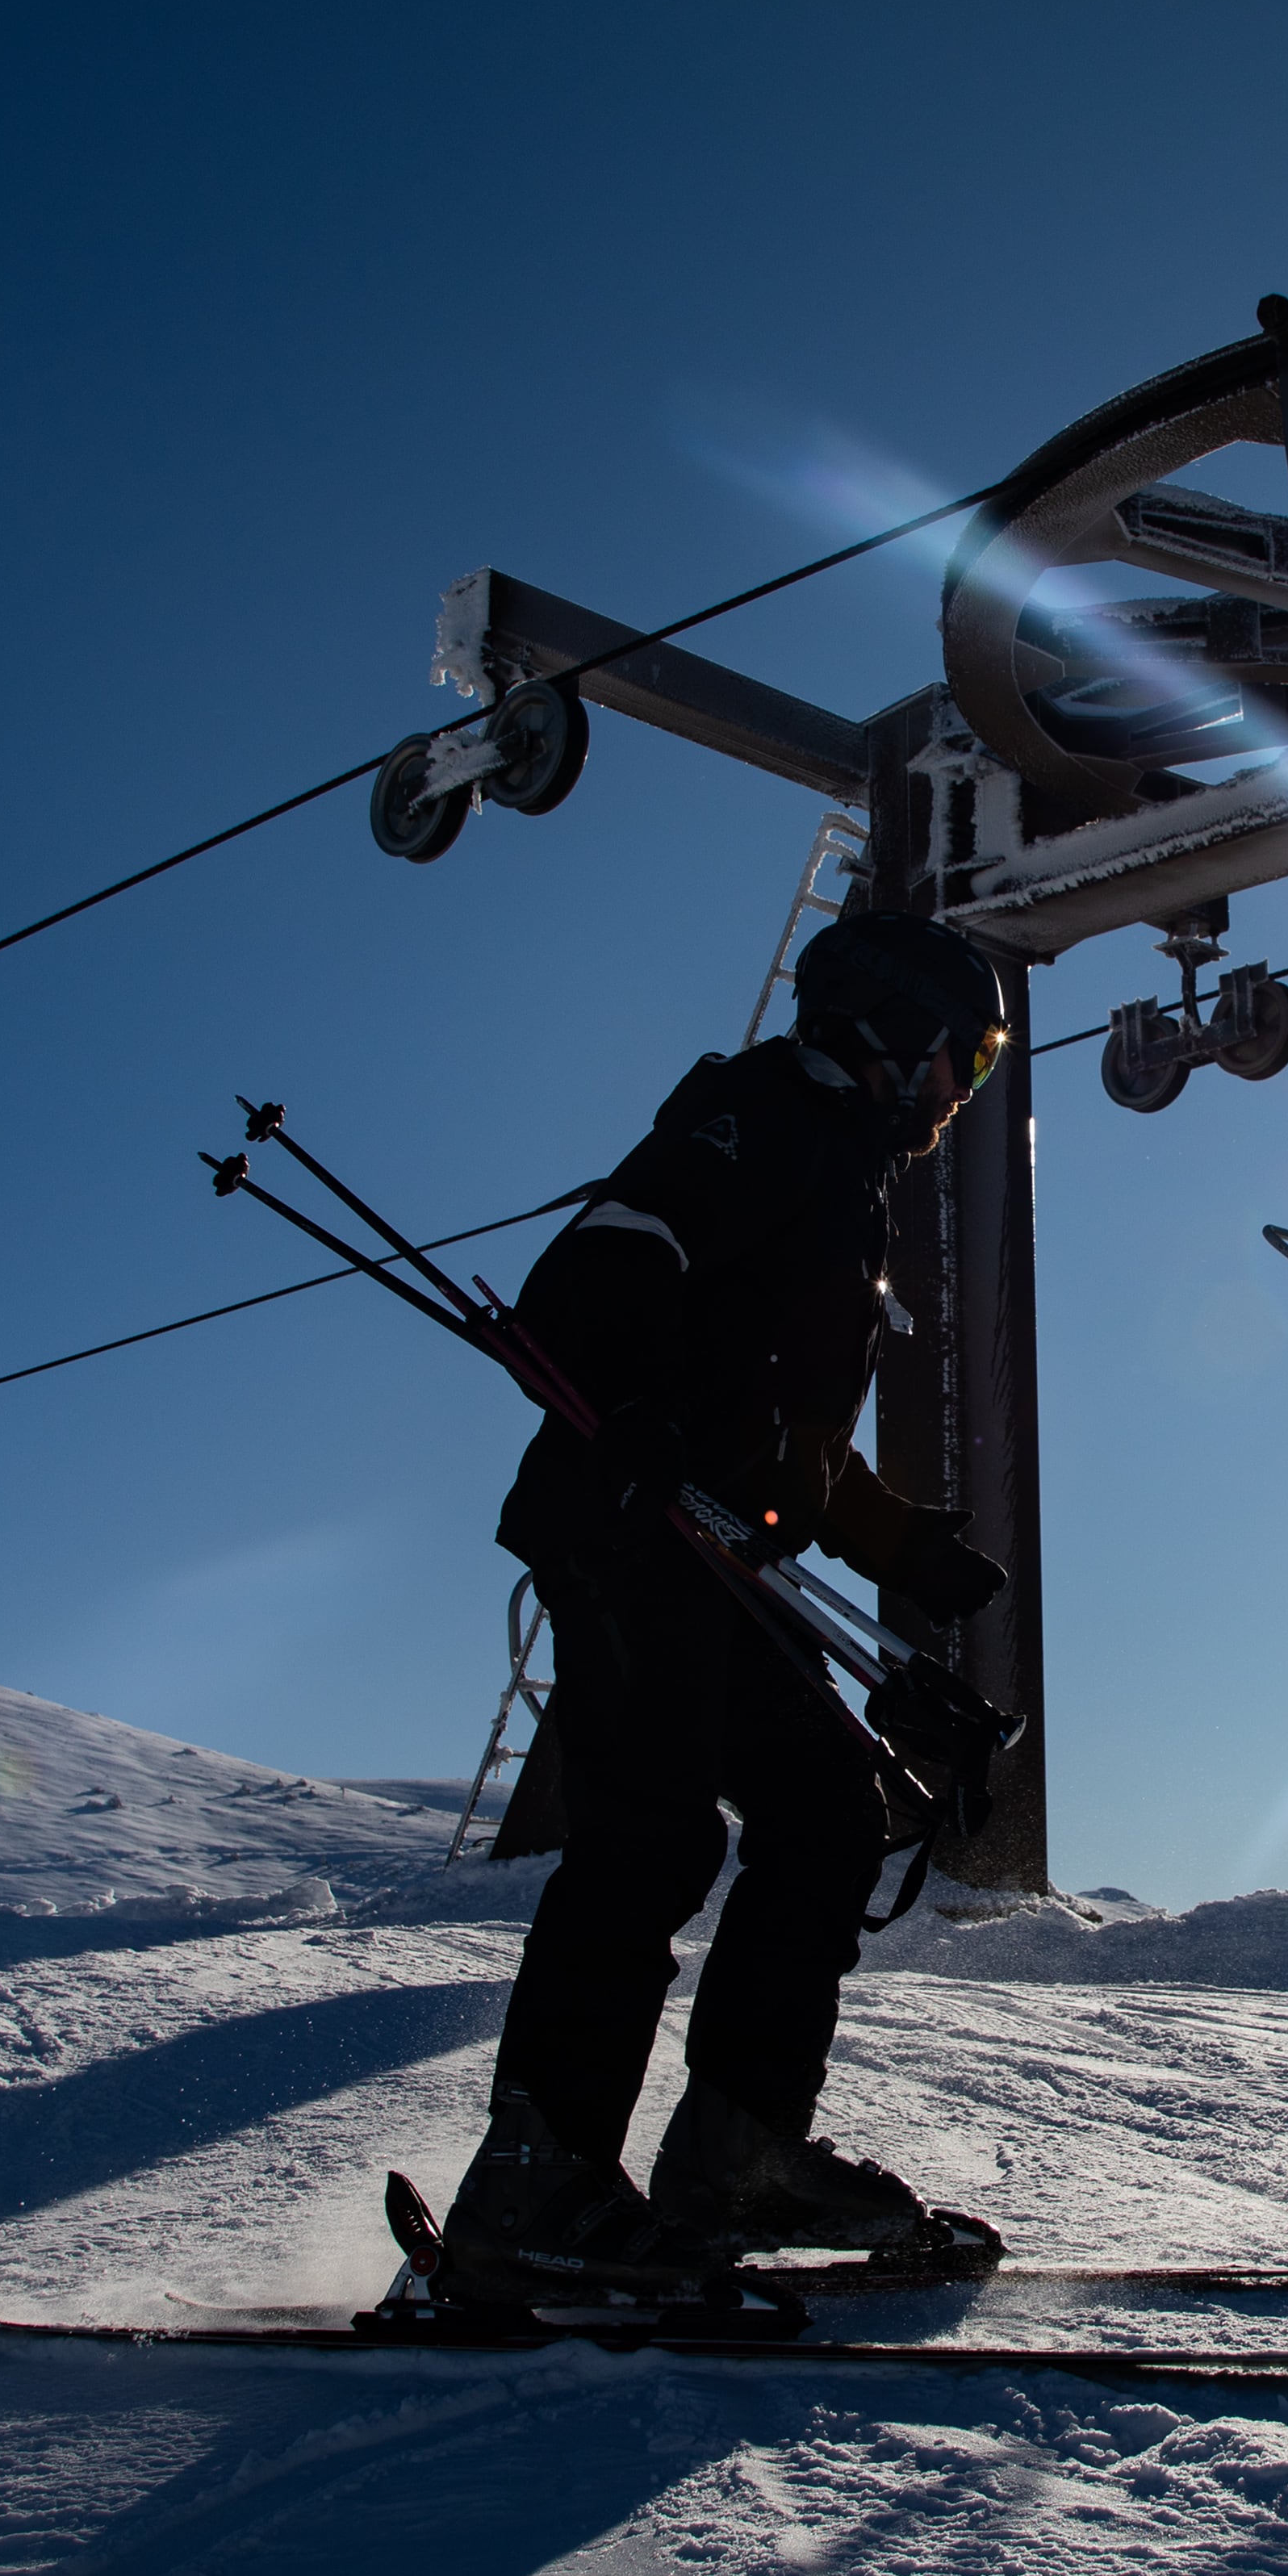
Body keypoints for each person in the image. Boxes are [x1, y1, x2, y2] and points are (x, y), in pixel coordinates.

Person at [437, 912, 1020, 2311]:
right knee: (649, 1835)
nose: (960, 1092)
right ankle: (536, 2182)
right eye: (963, 1057)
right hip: (631, 1529)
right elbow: (593, 1270)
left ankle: (736, 2152)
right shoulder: (759, 1115)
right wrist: (635, 1420)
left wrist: (901, 1544)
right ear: (890, 1032)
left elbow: (791, 1440)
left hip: (716, 1547)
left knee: (828, 1807)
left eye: (981, 1067)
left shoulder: (844, 1177)